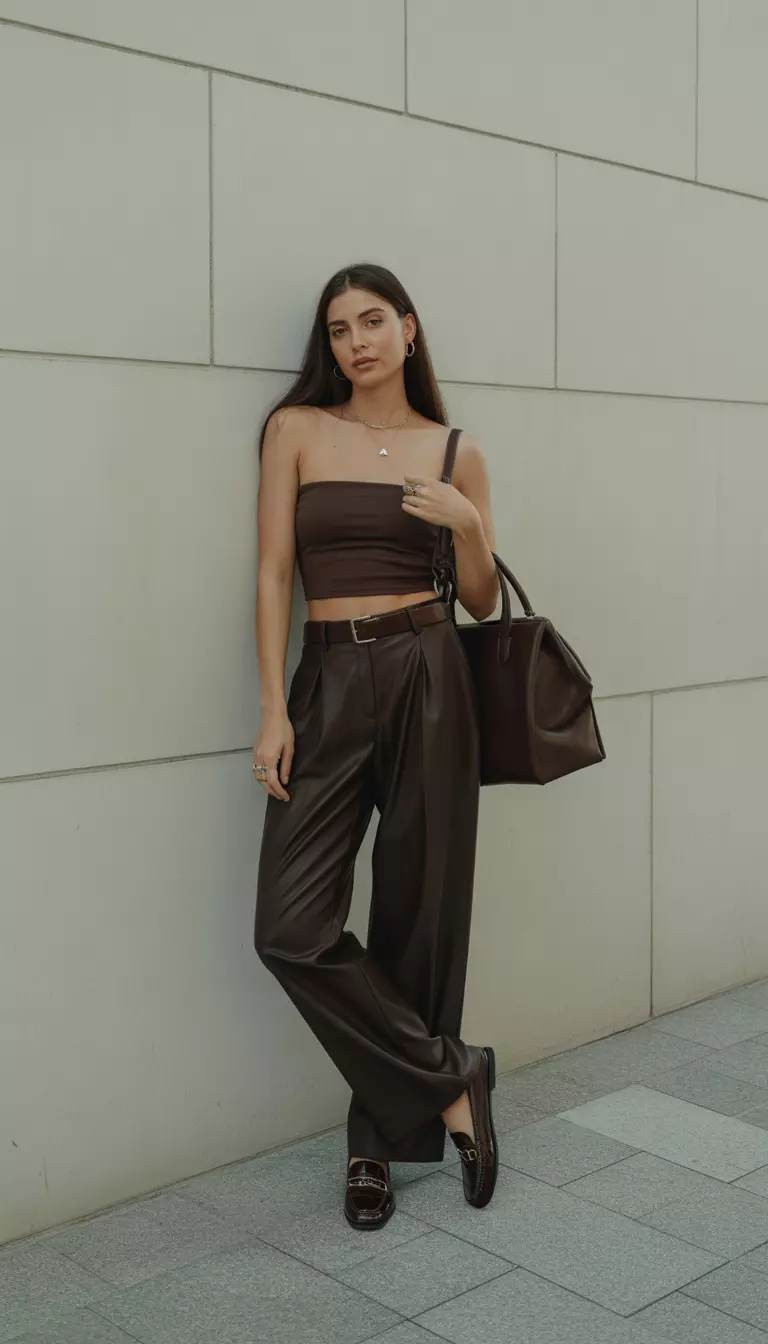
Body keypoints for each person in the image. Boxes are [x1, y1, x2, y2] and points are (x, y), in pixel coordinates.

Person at [253, 262, 501, 1231]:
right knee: (289, 926)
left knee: (418, 912)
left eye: (371, 321)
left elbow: (479, 599)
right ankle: (453, 1077)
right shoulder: (298, 432)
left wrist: (469, 523)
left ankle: (374, 1150)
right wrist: (275, 709)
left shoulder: (455, 450)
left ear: (408, 328)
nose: (355, 341)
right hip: (326, 679)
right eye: (338, 328)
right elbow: (276, 571)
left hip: (429, 671)